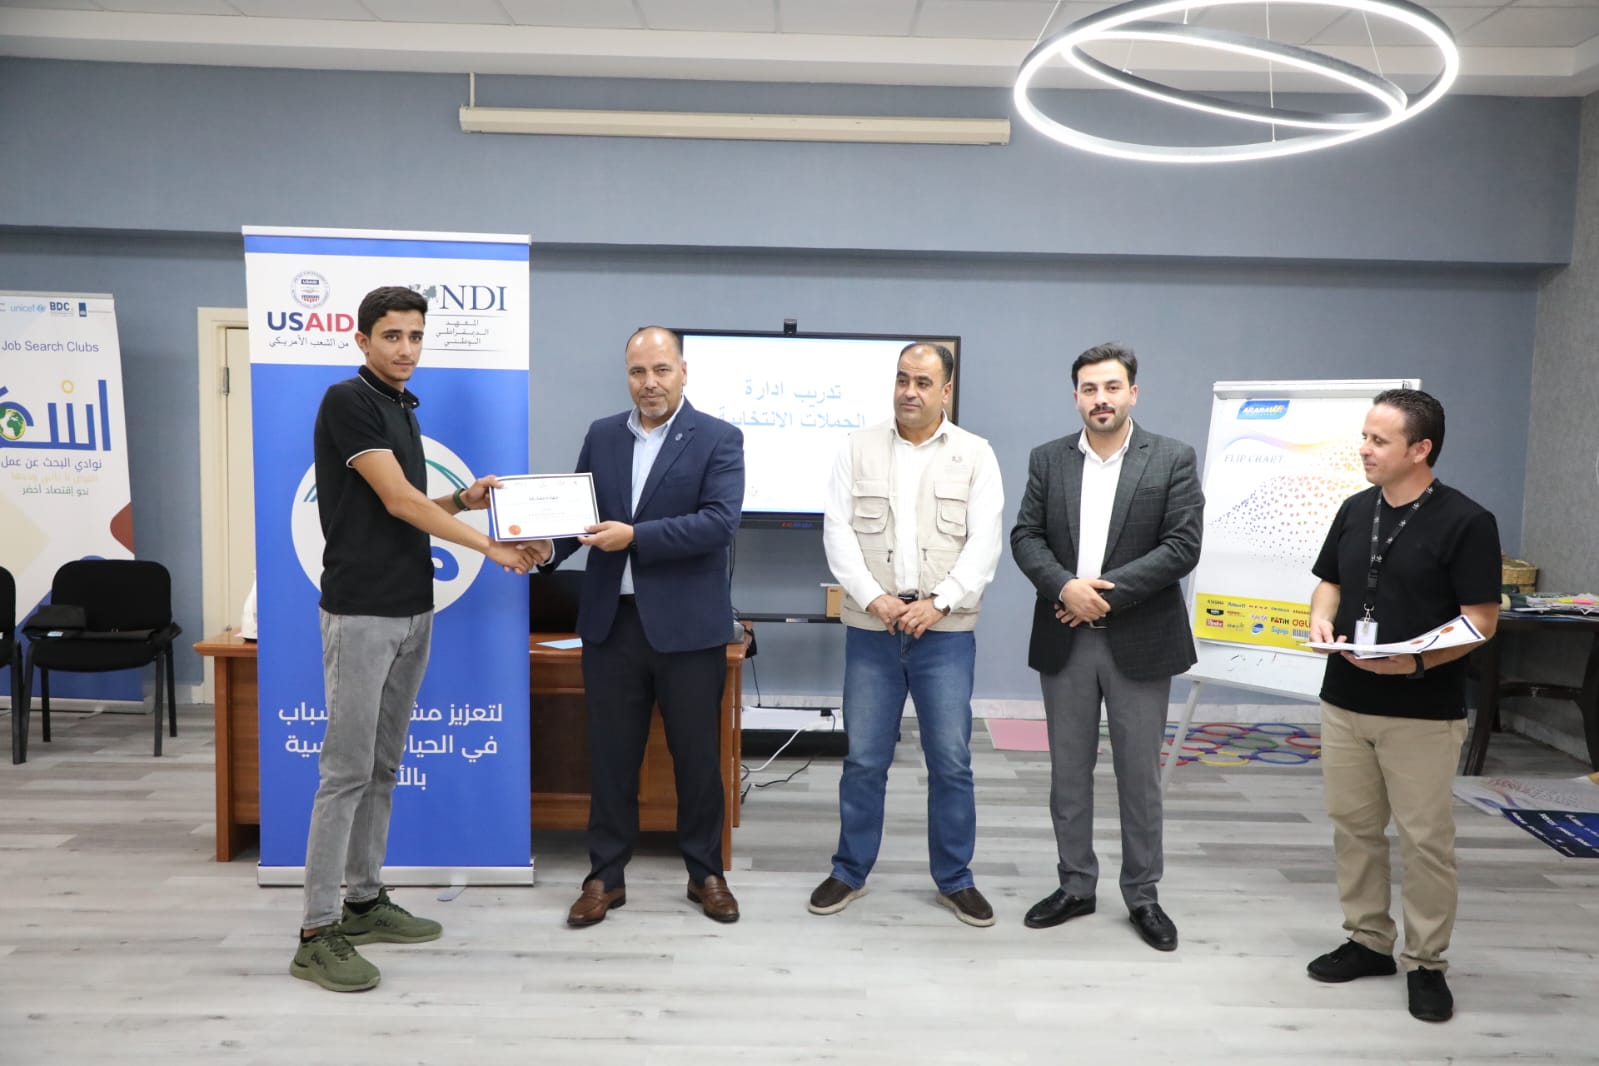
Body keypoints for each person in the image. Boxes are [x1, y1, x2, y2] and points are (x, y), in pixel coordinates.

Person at [292, 285, 545, 993]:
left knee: (382, 765)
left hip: (412, 609)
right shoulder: (348, 401)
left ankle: (363, 901)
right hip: (361, 612)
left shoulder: (402, 407)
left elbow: (398, 511)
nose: (406, 349)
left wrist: (462, 501)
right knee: (345, 771)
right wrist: (490, 546)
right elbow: (399, 500)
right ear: (362, 339)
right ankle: (315, 932)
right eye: (392, 336)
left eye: (415, 336)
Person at [1304, 388, 1499, 1023]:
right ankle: (1368, 941)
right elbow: (1330, 582)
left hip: (1423, 710)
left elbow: (1480, 622)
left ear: (1421, 450)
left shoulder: (1468, 521)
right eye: (1364, 436)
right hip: (1345, 700)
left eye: (1378, 440)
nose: (1363, 449)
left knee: (1425, 842)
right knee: (1354, 828)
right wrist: (1321, 620)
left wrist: (1414, 662)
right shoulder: (1355, 508)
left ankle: (1426, 963)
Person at [540, 326, 746, 927]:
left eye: (660, 370)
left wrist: (635, 537)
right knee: (610, 758)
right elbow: (576, 518)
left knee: (697, 760)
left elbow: (718, 524)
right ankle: (605, 876)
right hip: (612, 626)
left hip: (689, 629)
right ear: (627, 376)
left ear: (683, 372)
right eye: (637, 372)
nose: (649, 383)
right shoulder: (603, 435)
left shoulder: (718, 437)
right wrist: (541, 550)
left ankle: (705, 873)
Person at [1009, 342, 1202, 951]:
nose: (1101, 399)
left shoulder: (1171, 457)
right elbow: (1026, 536)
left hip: (1140, 641)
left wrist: (1101, 597)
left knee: (1138, 778)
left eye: (1112, 387)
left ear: (1132, 393)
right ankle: (1075, 885)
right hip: (1065, 636)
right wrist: (1065, 586)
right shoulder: (1048, 459)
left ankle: (1143, 895)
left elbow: (1182, 546)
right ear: (1076, 397)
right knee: (1068, 774)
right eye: (1090, 389)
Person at [811, 342, 1004, 927]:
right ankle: (850, 871)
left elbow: (985, 543)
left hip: (945, 633)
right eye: (902, 379)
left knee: (951, 761)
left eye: (922, 382)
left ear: (946, 390)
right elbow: (837, 532)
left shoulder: (976, 454)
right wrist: (875, 598)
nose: (909, 391)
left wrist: (939, 603)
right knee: (864, 759)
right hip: (874, 628)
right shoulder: (856, 448)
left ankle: (955, 879)